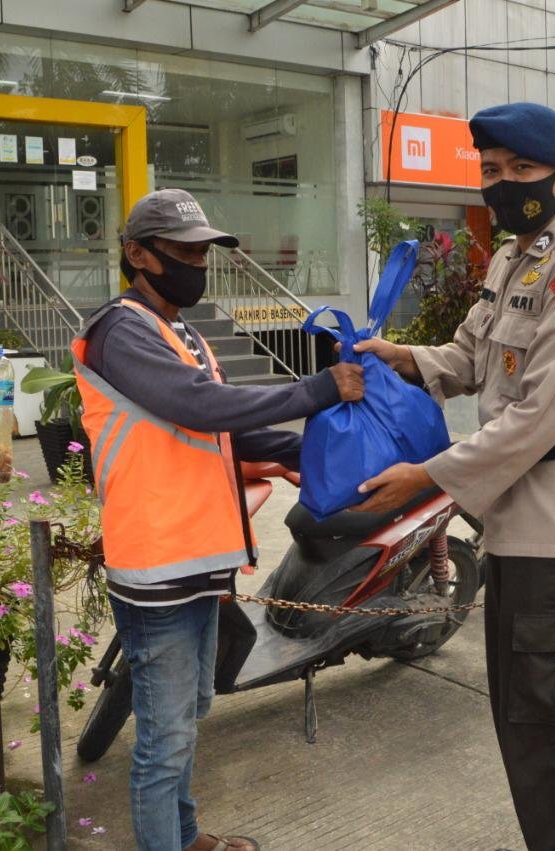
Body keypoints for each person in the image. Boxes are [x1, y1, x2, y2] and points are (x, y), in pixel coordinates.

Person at [351, 102, 555, 851]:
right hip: (517, 525)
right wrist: (401, 356)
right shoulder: (516, 257)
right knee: (524, 723)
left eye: (522, 170)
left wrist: (429, 477)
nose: (503, 184)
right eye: (492, 171)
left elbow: (538, 418)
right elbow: (471, 359)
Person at [71, 188, 364, 851]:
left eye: (203, 251)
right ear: (137, 254)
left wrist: (308, 453)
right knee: (165, 736)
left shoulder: (183, 332)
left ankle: (184, 833)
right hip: (157, 563)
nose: (196, 263)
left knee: (190, 712)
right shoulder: (120, 329)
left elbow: (223, 428)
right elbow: (198, 406)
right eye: (182, 251)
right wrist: (319, 388)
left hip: (201, 557)